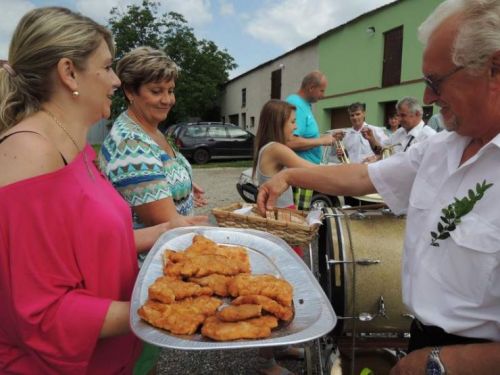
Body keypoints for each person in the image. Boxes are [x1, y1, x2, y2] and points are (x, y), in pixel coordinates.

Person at [257, 0, 500, 373]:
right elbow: (362, 177)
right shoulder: (440, 148)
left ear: (495, 69)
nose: (428, 99)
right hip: (422, 336)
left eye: (435, 81)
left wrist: (437, 364)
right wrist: (290, 176)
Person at [0, 7, 178, 374]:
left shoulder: (73, 145)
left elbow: (82, 247)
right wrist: (172, 307)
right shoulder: (28, 153)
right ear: (68, 72)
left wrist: (162, 233)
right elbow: (42, 312)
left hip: (110, 356)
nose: (116, 80)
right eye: (107, 67)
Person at [99, 47, 208, 237]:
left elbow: (157, 170)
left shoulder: (150, 128)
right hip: (154, 260)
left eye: (171, 90)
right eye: (156, 91)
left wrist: (183, 184)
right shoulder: (131, 145)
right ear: (130, 91)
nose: (167, 100)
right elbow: (168, 225)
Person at [286, 71, 334, 210]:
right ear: (311, 87)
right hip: (299, 173)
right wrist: (321, 141)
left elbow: (304, 136)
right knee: (297, 217)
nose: (323, 95)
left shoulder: (305, 105)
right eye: (321, 91)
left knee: (301, 215)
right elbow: (291, 142)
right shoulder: (296, 104)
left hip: (305, 171)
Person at [363, 97, 436, 159]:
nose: (399, 119)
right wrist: (371, 139)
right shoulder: (399, 132)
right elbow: (381, 151)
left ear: (417, 114)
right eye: (398, 115)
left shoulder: (429, 136)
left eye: (403, 115)